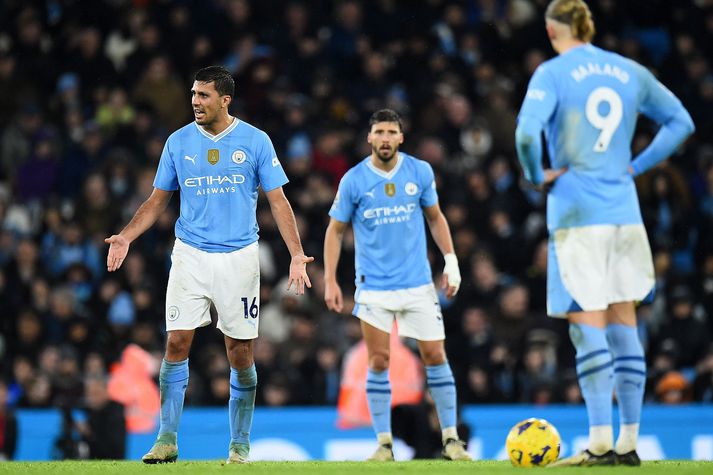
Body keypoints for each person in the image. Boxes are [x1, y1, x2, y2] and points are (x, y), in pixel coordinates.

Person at [515, 0, 694, 467]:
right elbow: (682, 123)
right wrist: (635, 167)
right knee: (623, 325)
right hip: (625, 215)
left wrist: (537, 175)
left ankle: (597, 442)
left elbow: (526, 135)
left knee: (586, 327)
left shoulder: (552, 73)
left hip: (578, 214)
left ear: (553, 31)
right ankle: (628, 443)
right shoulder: (627, 70)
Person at [105, 66, 313, 464]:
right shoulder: (178, 142)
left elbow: (278, 201)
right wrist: (127, 236)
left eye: (203, 95)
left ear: (225, 99)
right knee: (176, 342)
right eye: (193, 94)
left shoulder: (255, 141)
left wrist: (296, 254)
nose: (195, 101)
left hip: (239, 257)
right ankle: (166, 438)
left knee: (239, 353)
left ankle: (239, 444)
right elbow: (157, 199)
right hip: (190, 254)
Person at [324, 108, 471, 462]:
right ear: (369, 138)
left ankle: (451, 438)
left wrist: (451, 262)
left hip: (418, 284)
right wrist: (330, 279)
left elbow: (436, 219)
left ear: (401, 137)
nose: (385, 138)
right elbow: (335, 230)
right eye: (379, 132)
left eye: (392, 132)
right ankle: (384, 443)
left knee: (435, 355)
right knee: (378, 359)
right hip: (373, 287)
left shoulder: (420, 171)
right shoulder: (354, 179)